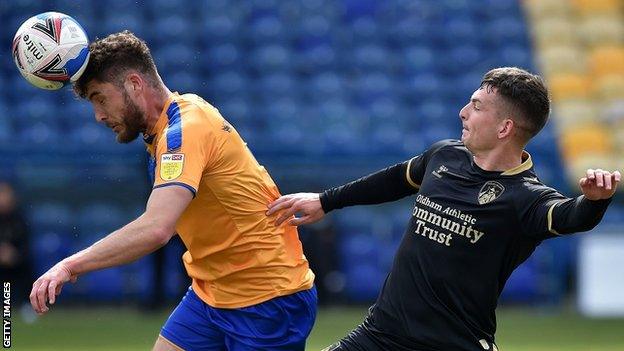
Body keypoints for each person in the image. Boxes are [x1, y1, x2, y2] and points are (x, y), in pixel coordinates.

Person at [267, 67, 621, 351]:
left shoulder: (526, 197)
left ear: (505, 127)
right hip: (381, 335)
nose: (463, 112)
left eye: (477, 106)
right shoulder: (445, 155)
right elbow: (393, 180)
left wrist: (593, 200)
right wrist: (325, 201)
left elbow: (570, 217)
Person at [29, 31, 316, 351]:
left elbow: (157, 228)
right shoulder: (173, 120)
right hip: (212, 292)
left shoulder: (184, 131)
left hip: (267, 297)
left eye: (100, 98)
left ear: (134, 84)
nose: (98, 116)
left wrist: (70, 265)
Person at [0, 181, 31, 304]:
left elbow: (26, 246)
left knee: (26, 267)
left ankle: (25, 303)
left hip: (17, 266)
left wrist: (13, 255)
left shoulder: (20, 219)